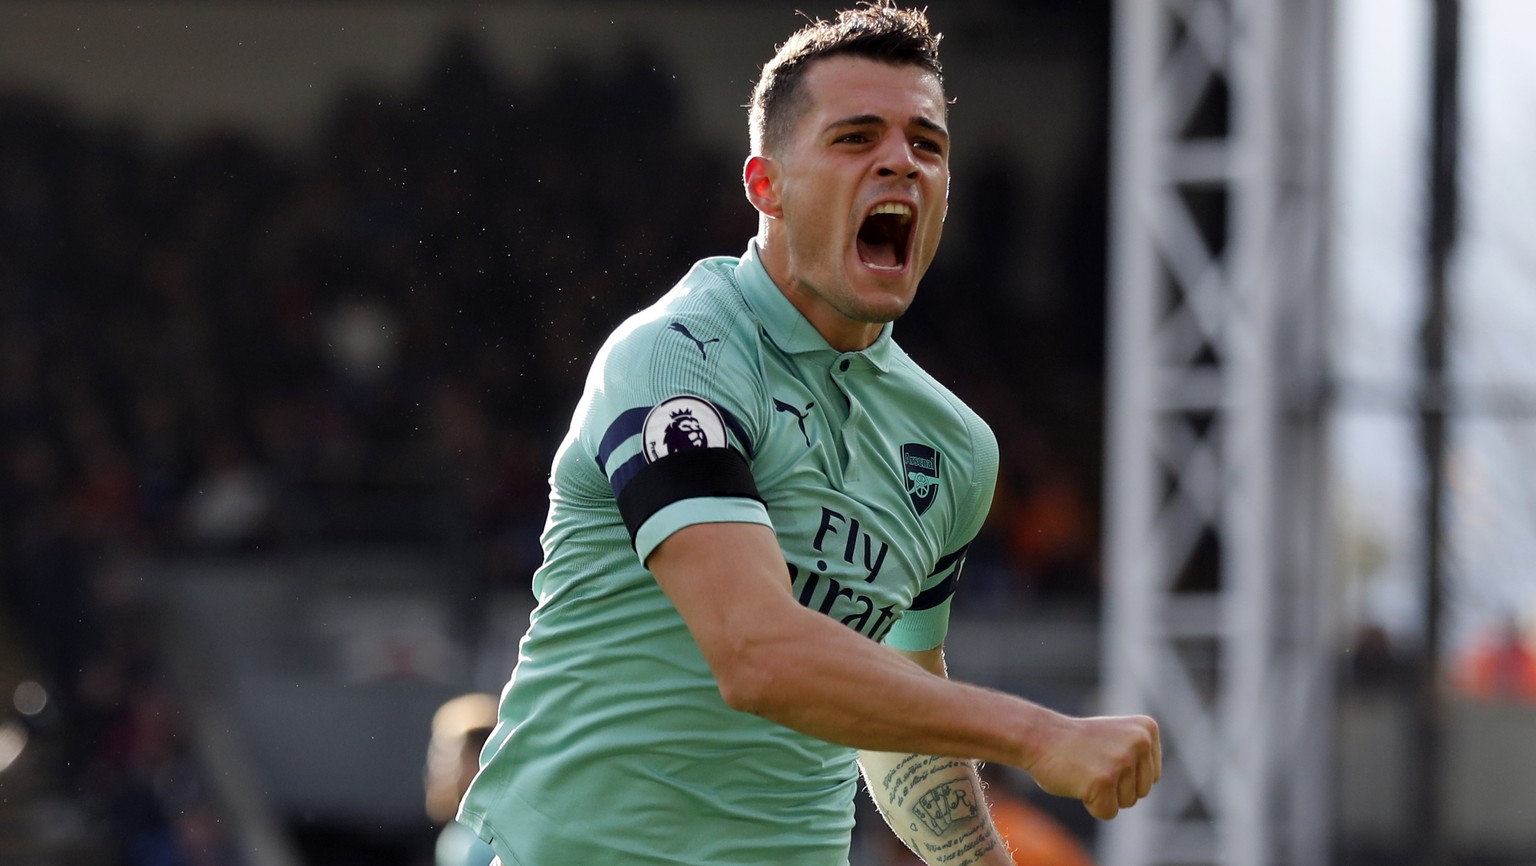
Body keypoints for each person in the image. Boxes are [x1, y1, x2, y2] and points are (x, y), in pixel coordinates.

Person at [458, 4, 1161, 864]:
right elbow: (757, 653)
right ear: (766, 185)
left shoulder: (957, 448)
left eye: (927, 145)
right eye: (856, 137)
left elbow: (896, 717)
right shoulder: (679, 357)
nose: (901, 161)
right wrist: (1037, 733)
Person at [425, 694, 498, 866]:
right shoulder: (457, 836)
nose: (435, 767)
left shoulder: (477, 846)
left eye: (445, 754)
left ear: (477, 759)